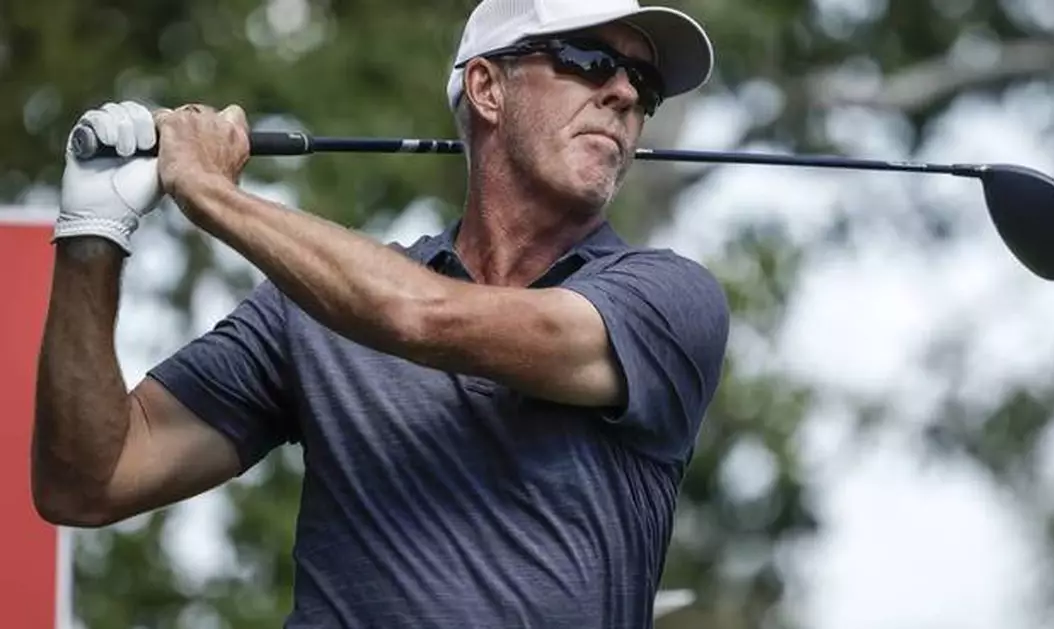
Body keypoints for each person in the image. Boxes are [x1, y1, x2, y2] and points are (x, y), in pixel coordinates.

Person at [33, 0, 730, 626]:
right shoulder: (309, 309)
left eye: (645, 85)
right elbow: (87, 482)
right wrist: (93, 233)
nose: (623, 93)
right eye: (591, 61)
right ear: (488, 88)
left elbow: (424, 317)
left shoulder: (668, 300)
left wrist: (210, 193)